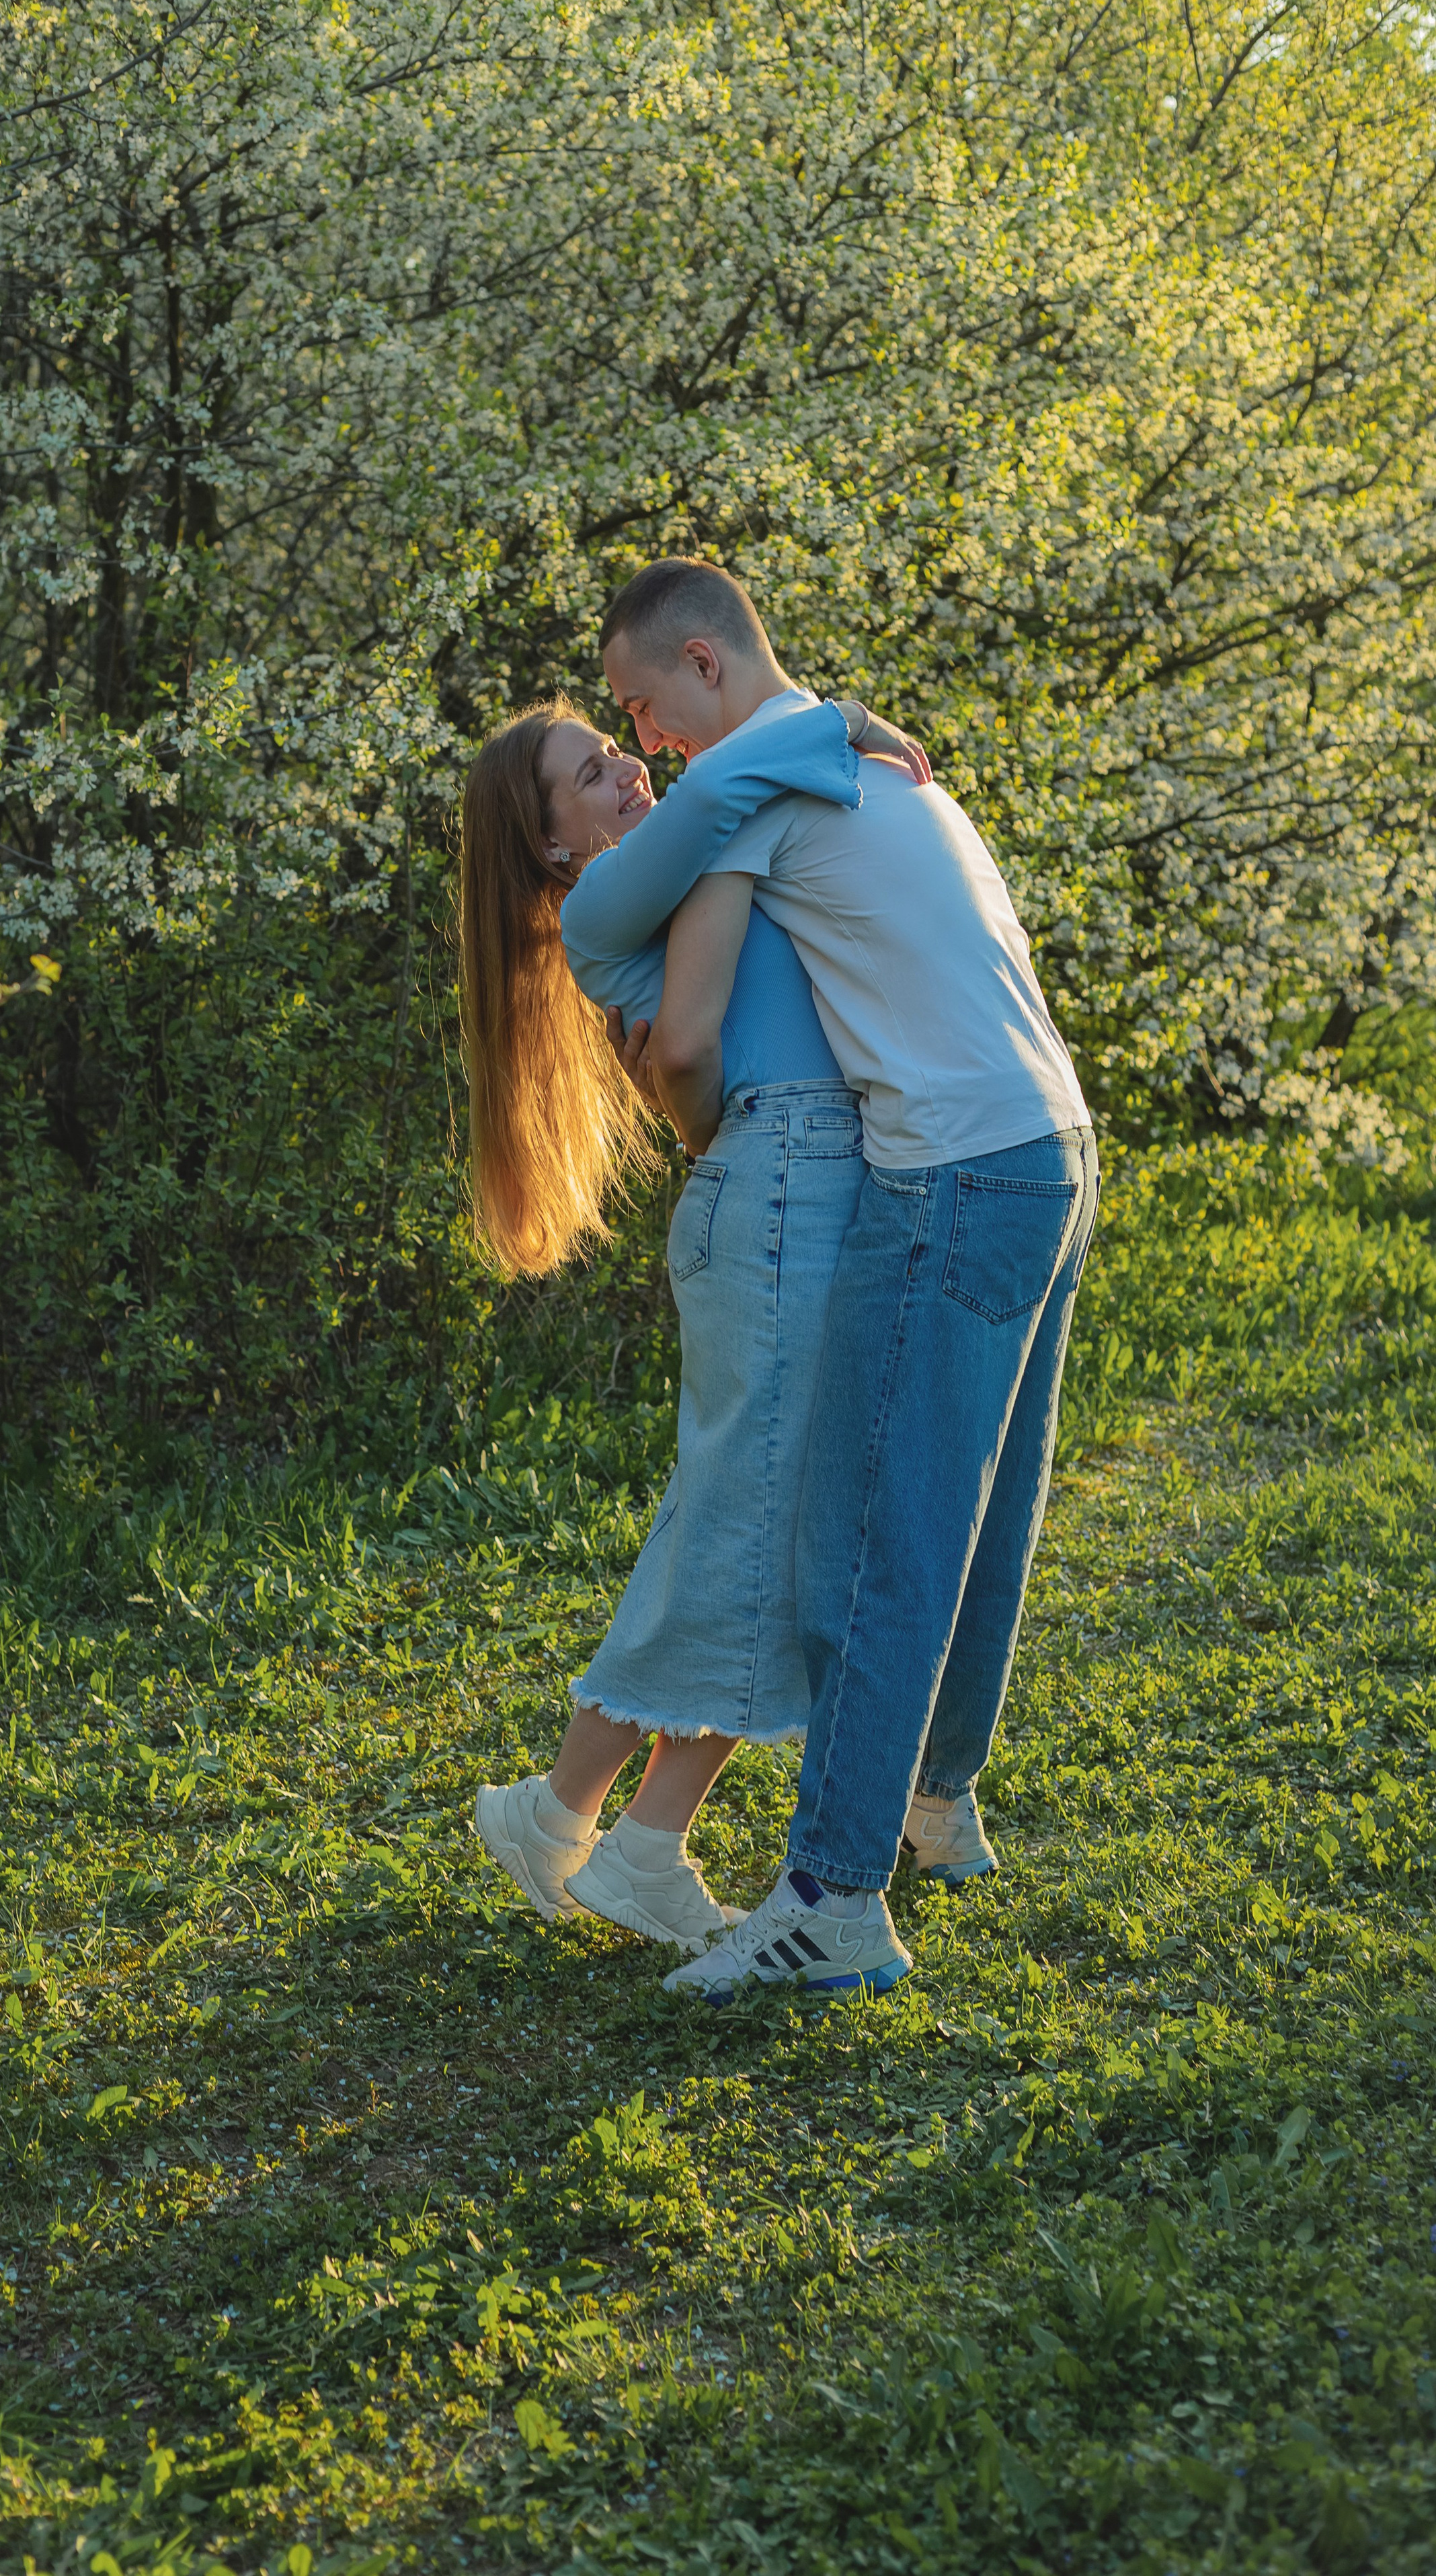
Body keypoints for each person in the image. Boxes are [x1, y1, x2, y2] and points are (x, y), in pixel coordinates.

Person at [560, 559, 1099, 1999]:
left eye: (643, 706)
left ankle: (831, 1896)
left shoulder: (760, 783)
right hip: (1051, 1143)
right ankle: (934, 1801)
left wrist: (702, 1128)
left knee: (886, 1535)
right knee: (982, 1518)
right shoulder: (879, 771)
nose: (649, 743)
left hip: (957, 1168)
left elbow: (666, 994)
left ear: (703, 664)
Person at [457, 690, 924, 1956]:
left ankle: (599, 1824)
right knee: (753, 1515)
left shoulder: (659, 878)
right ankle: (598, 1824)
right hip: (774, 1201)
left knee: (758, 1513)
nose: (626, 772)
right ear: (554, 843)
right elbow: (728, 796)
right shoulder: (619, 896)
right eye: (591, 771)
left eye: (617, 751)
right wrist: (851, 725)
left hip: (785, 1195)